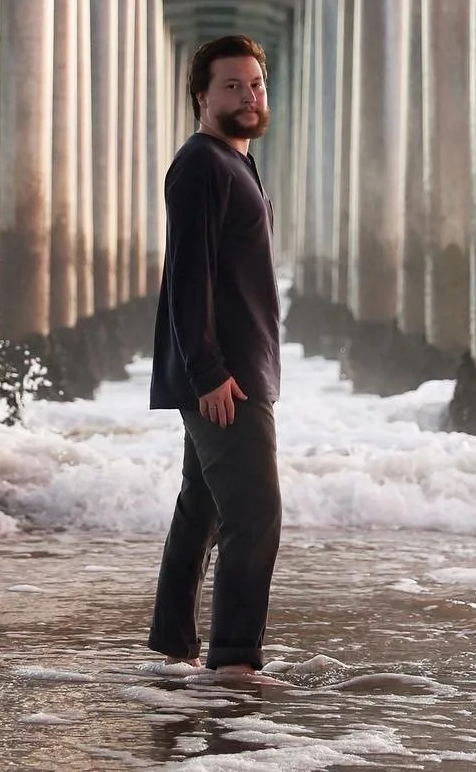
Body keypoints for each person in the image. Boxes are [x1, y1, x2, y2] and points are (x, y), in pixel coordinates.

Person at [147, 34, 282, 676]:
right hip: (224, 377)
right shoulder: (202, 163)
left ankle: (172, 644)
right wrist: (208, 372)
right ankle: (234, 662)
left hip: (235, 369)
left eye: (255, 84)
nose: (248, 95)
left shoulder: (235, 161)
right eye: (232, 85)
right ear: (202, 96)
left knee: (200, 507)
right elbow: (187, 278)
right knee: (254, 515)